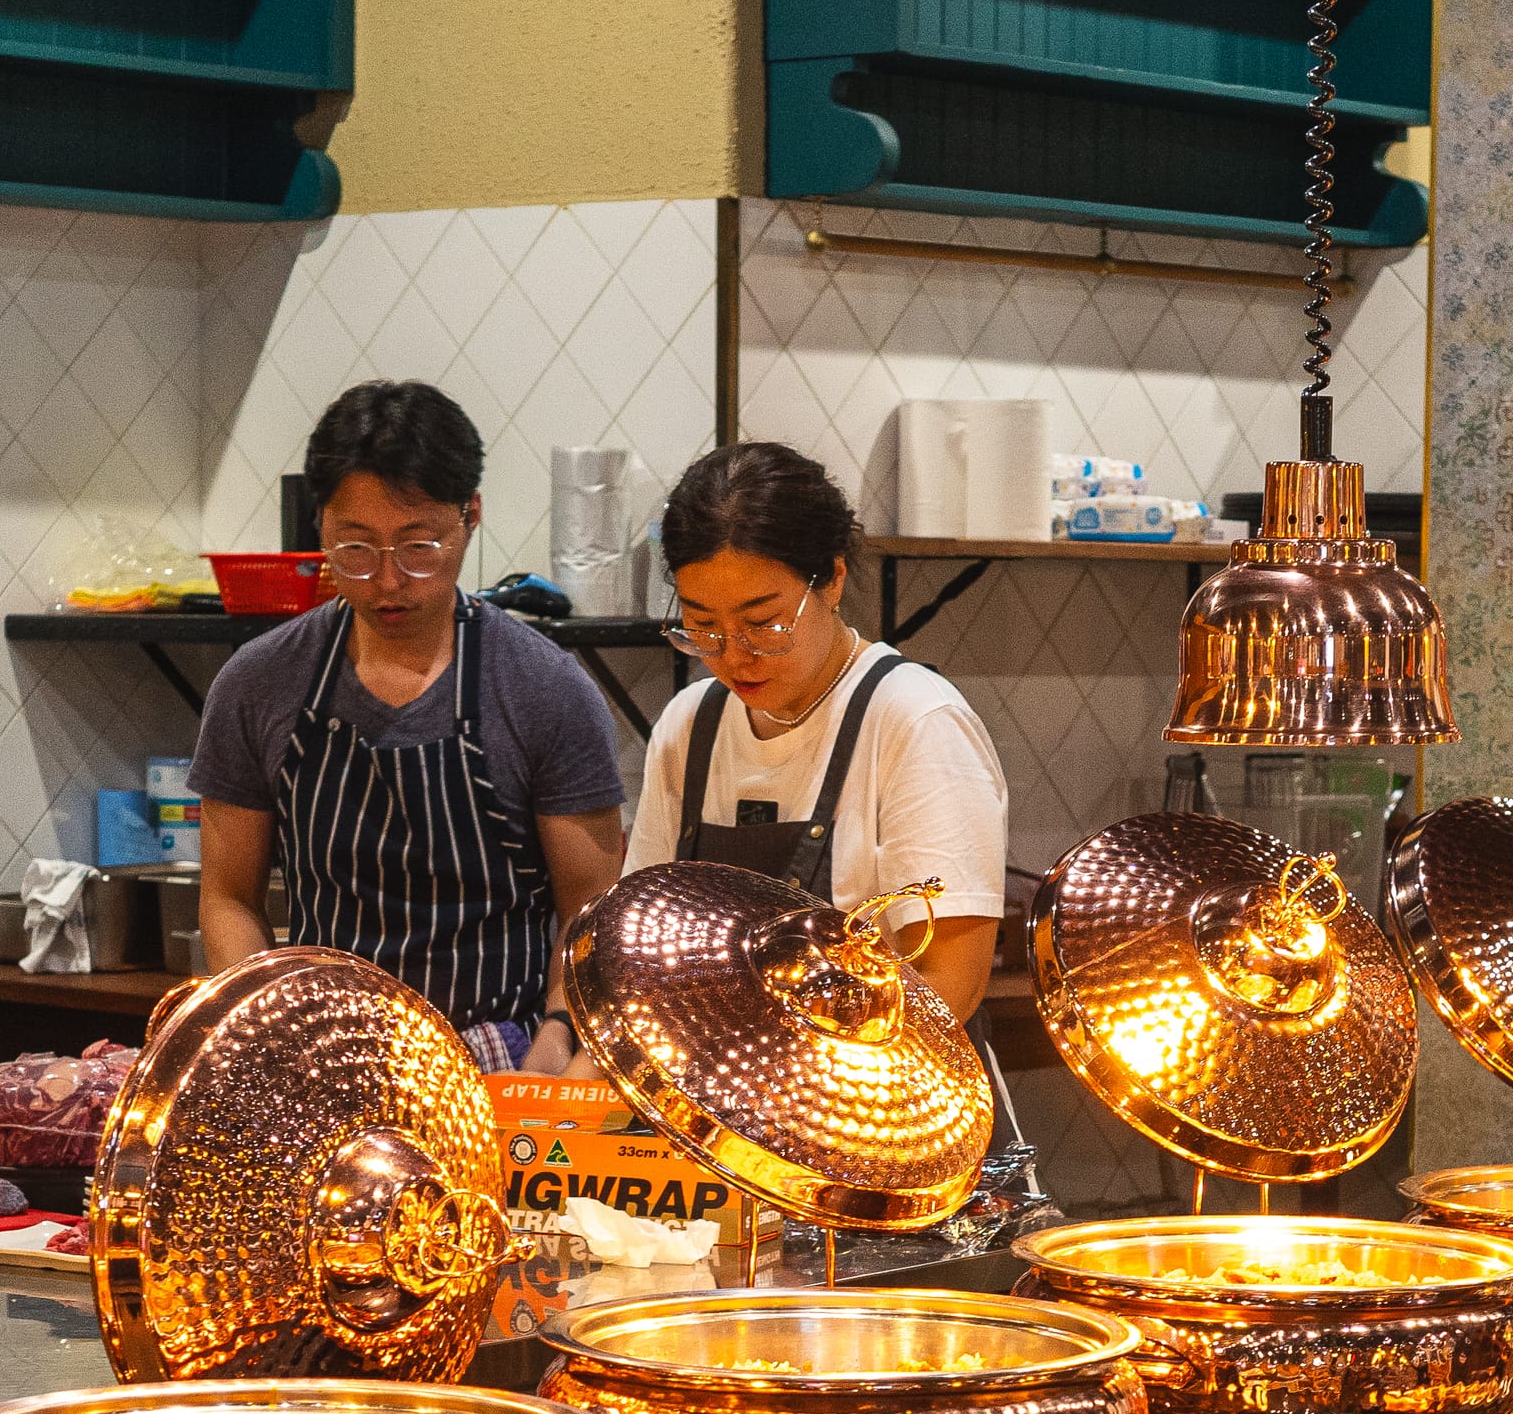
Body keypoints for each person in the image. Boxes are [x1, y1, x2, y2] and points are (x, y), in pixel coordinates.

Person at [192, 381, 625, 1072]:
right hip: (321, 1060)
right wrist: (266, 1033)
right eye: (355, 549)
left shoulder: (546, 690)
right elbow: (229, 897)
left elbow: (591, 916)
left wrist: (560, 1034)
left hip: (498, 1060)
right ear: (320, 525)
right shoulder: (259, 683)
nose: (389, 581)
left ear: (470, 517)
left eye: (420, 546)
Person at [627, 441, 1008, 1027]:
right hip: (715, 1096)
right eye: (702, 626)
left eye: (763, 623)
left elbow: (949, 985)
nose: (735, 656)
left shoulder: (915, 721)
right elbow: (642, 959)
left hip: (880, 1099)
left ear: (831, 579)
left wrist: (800, 1099)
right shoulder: (689, 724)